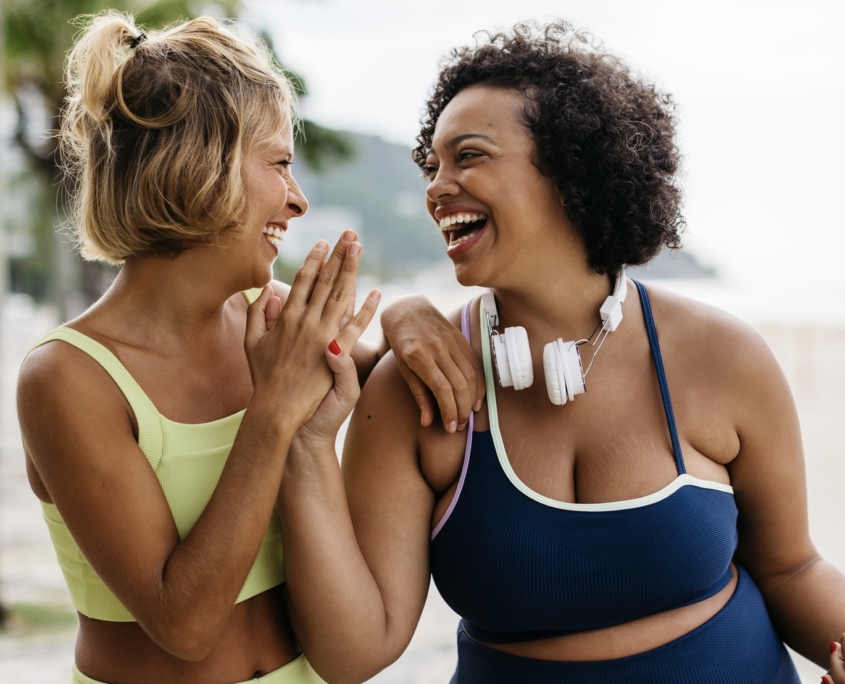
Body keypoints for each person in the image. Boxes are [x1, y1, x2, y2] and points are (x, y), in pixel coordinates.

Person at [275, 21, 845, 684]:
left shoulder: (724, 356)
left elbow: (789, 566)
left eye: (469, 156)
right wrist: (306, 442)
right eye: (432, 165)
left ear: (572, 167)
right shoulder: (415, 385)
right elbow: (354, 651)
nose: (436, 185)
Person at [16, 12, 482, 684]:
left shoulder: (271, 324)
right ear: (196, 167)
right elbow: (182, 623)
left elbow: (374, 361)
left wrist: (410, 314)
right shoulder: (67, 378)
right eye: (280, 164)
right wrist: (271, 413)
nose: (296, 201)